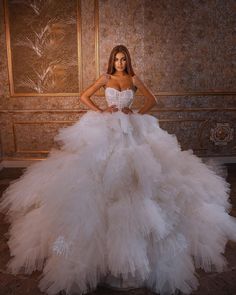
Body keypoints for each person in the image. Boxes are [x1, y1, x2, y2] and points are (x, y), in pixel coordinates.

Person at [1, 44, 236, 295]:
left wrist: (136, 113)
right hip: (106, 129)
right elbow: (84, 96)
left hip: (130, 129)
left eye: (124, 59)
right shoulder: (106, 78)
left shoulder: (133, 79)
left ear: (128, 61)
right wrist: (101, 111)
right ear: (112, 61)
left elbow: (152, 100)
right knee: (96, 173)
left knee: (139, 174)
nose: (120, 63)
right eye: (117, 59)